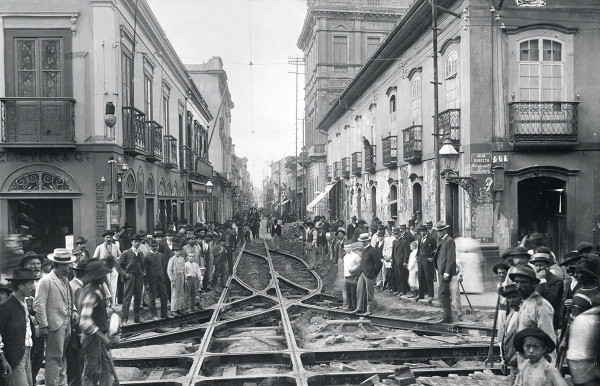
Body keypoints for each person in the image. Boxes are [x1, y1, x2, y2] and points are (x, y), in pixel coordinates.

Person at [33, 248, 78, 386]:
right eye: (68, 264)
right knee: (54, 357)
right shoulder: (46, 281)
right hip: (55, 325)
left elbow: (70, 298)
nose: (70, 266)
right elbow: (39, 305)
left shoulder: (65, 280)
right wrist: (44, 325)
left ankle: (59, 382)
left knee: (63, 355)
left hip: (67, 323)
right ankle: (52, 383)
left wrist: (74, 311)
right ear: (60, 265)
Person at [78, 260, 118, 385]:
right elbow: (84, 321)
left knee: (106, 370)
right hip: (92, 338)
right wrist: (102, 337)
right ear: (97, 277)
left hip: (99, 337)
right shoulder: (91, 293)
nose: (105, 277)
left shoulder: (97, 289)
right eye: (103, 275)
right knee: (93, 372)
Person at [510, 265, 557, 364]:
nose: (518, 286)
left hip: (537, 362)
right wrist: (518, 354)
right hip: (525, 360)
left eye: (523, 282)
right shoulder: (525, 302)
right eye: (516, 282)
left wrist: (545, 367)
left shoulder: (541, 306)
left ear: (533, 283)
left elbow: (548, 338)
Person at [0, 268, 37, 386]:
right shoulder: (6, 307)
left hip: (25, 352)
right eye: (31, 283)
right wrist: (3, 359)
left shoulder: (24, 303)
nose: (34, 287)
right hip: (14, 356)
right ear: (21, 286)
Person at [67, 259, 88, 386]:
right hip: (77, 334)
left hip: (69, 332)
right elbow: (80, 315)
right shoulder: (79, 289)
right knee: (77, 365)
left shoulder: (70, 284)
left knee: (71, 366)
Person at [530, 252, 564, 329]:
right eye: (536, 265)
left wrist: (543, 279)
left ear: (547, 266)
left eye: (541, 265)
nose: (538, 268)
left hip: (550, 317)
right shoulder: (534, 279)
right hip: (535, 316)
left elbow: (551, 298)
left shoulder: (556, 280)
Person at [116, 233, 145, 324]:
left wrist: (143, 272)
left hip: (138, 277)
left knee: (138, 297)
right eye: (135, 241)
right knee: (127, 298)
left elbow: (141, 264)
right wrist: (125, 274)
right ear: (132, 242)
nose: (137, 243)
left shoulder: (140, 253)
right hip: (130, 277)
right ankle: (124, 319)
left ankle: (137, 318)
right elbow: (118, 265)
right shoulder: (126, 253)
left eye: (139, 242)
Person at [497, 283, 523, 383]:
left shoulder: (524, 314)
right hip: (512, 363)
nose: (511, 300)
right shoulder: (511, 313)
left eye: (514, 297)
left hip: (521, 362)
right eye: (509, 298)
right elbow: (505, 338)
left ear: (521, 297)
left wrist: (517, 356)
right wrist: (504, 360)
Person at [353, 233, 382, 316]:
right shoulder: (364, 250)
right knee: (359, 290)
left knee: (370, 292)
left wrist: (374, 274)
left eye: (363, 241)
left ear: (367, 241)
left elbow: (379, 264)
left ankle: (369, 310)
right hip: (362, 273)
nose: (362, 243)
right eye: (361, 241)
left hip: (369, 274)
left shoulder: (372, 250)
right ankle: (359, 308)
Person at [433, 221, 456, 323]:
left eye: (441, 231)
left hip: (445, 273)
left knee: (442, 294)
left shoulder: (449, 241)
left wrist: (447, 272)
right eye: (438, 231)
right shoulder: (442, 240)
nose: (439, 233)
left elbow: (451, 258)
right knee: (443, 293)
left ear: (445, 230)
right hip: (441, 271)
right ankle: (448, 317)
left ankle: (447, 317)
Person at [92, 230, 121, 306]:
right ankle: (106, 302)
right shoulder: (99, 247)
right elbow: (94, 258)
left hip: (113, 268)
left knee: (114, 286)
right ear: (104, 238)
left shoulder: (115, 246)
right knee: (106, 286)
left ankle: (113, 303)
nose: (109, 239)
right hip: (104, 268)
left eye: (110, 237)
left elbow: (120, 256)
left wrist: (115, 259)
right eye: (107, 237)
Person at [144, 239, 170, 320]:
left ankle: (164, 314)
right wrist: (146, 283)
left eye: (156, 246)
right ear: (149, 247)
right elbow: (144, 271)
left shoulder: (161, 255)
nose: (155, 248)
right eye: (153, 246)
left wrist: (163, 277)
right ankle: (154, 315)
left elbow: (163, 267)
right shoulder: (146, 257)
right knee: (152, 298)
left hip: (161, 279)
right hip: (152, 280)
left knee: (164, 296)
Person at [416, 225, 436, 303]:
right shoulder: (419, 239)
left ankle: (430, 295)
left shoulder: (431, 239)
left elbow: (435, 249)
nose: (422, 233)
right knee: (420, 277)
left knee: (428, 277)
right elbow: (419, 248)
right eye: (421, 231)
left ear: (426, 231)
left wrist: (432, 257)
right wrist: (417, 255)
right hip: (420, 260)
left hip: (427, 260)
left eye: (424, 231)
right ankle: (421, 294)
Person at [167, 243, 186, 315]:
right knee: (174, 293)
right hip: (175, 277)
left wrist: (185, 278)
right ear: (174, 252)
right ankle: (173, 309)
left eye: (179, 251)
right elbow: (169, 270)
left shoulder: (182, 259)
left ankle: (179, 308)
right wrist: (172, 279)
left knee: (181, 293)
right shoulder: (172, 259)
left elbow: (184, 269)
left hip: (182, 277)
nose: (178, 252)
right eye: (176, 251)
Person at [344, 241, 362, 311]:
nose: (347, 249)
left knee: (353, 292)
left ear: (351, 248)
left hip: (353, 276)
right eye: (346, 247)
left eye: (349, 247)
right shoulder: (345, 257)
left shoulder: (355, 256)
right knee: (348, 292)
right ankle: (350, 306)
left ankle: (354, 307)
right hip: (346, 276)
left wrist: (356, 275)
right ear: (344, 248)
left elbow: (359, 266)